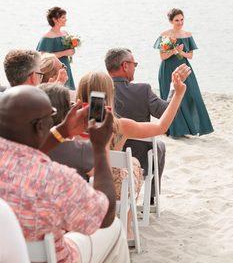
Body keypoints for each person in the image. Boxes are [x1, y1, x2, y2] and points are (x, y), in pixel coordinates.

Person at [0, 85, 129, 263]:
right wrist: (99, 147)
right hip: (57, 259)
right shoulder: (55, 180)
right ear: (40, 126)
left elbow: (24, 157)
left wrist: (62, 131)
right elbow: (104, 217)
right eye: (51, 116)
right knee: (114, 227)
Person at [105, 47, 191, 202]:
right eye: (134, 64)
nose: (135, 68)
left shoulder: (98, 90)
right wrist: (174, 89)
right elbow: (165, 114)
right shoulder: (142, 90)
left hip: (103, 155)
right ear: (125, 66)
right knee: (159, 146)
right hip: (139, 157)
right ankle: (151, 197)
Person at [154, 8, 213, 137]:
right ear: (171, 21)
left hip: (184, 68)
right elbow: (163, 57)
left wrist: (181, 52)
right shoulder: (166, 35)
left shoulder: (187, 34)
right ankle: (173, 130)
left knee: (193, 96)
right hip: (168, 70)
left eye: (182, 19)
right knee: (170, 98)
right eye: (177, 20)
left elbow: (190, 55)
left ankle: (193, 128)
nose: (180, 22)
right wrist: (174, 50)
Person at [40, 83, 94, 180]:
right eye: (70, 105)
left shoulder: (24, 147)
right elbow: (102, 178)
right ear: (65, 115)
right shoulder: (80, 150)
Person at [36, 7, 77, 90]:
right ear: (55, 19)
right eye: (63, 17)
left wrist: (72, 49)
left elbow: (70, 51)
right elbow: (44, 57)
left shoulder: (65, 33)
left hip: (66, 66)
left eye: (65, 17)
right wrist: (65, 53)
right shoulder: (47, 37)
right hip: (54, 69)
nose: (65, 19)